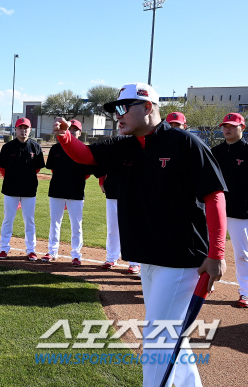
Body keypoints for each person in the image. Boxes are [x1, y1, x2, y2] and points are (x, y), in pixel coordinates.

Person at [53, 82, 226, 387]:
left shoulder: (185, 143)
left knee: (159, 339)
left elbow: (214, 196)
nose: (117, 116)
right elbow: (85, 156)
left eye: (124, 108)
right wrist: (65, 136)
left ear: (147, 108)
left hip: (181, 259)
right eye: (115, 109)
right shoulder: (124, 145)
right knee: (172, 336)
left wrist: (217, 254)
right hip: (148, 256)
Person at [211, 112, 248, 308]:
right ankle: (207, 284)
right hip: (215, 208)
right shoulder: (215, 152)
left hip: (240, 211)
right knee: (209, 249)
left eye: (232, 126)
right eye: (225, 125)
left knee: (242, 253)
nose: (227, 129)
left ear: (243, 128)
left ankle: (245, 292)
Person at [43, 119, 93, 265]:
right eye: (69, 129)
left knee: (76, 225)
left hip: (76, 193)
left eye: (74, 129)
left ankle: (76, 254)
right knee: (55, 223)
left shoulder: (84, 149)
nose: (71, 131)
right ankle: (52, 251)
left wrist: (73, 182)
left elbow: (87, 173)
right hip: (57, 191)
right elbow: (52, 169)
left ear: (80, 132)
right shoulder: (55, 149)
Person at [0, 117, 45, 260]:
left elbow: (37, 168)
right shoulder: (7, 147)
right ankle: (4, 248)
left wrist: (25, 179)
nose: (23, 131)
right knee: (8, 219)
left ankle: (31, 249)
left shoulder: (35, 147)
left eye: (26, 128)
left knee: (29, 220)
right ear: (15, 129)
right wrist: (13, 180)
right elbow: (2, 168)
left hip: (29, 190)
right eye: (20, 128)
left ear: (30, 130)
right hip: (10, 189)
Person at [95, 167, 141, 274]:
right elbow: (104, 162)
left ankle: (134, 262)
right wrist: (101, 181)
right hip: (112, 188)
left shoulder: (134, 150)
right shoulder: (112, 149)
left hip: (131, 191)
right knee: (112, 227)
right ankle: (111, 257)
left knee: (131, 228)